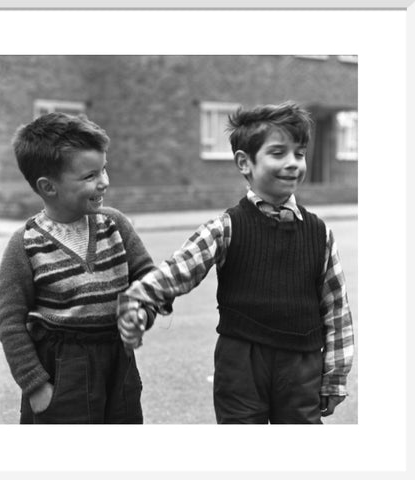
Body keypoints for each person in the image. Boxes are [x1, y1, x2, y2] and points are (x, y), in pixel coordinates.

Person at [117, 101, 354, 424]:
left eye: (299, 153)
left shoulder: (319, 233)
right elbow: (180, 269)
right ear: (245, 162)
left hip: (302, 363)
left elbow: (336, 308)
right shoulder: (227, 227)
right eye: (278, 153)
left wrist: (335, 375)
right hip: (242, 362)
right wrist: (139, 298)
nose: (293, 163)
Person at [0, 112, 155, 424]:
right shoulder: (24, 245)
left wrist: (142, 311)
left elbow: (149, 278)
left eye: (104, 169)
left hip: (118, 363)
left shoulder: (115, 225)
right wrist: (36, 385)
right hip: (61, 368)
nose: (104, 182)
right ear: (48, 187)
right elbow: (10, 323)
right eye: (89, 176)